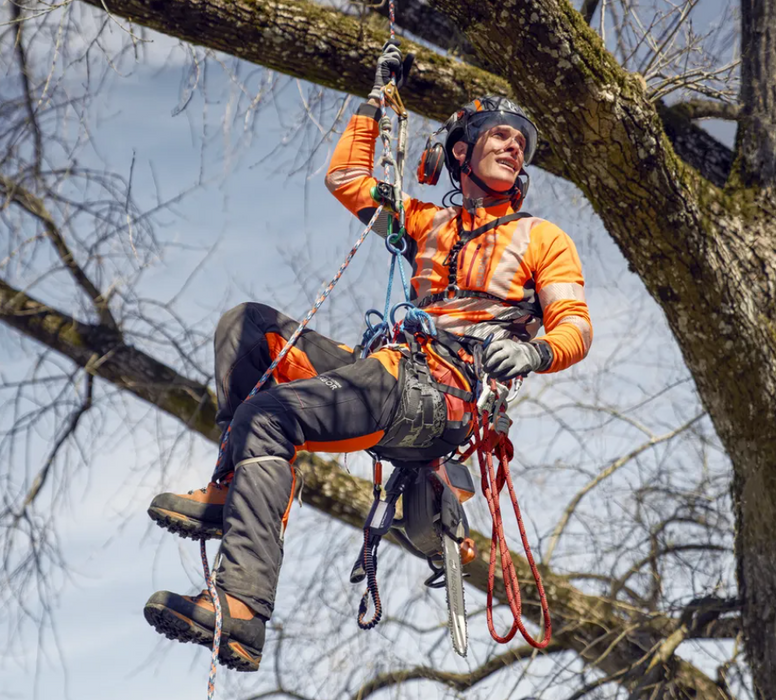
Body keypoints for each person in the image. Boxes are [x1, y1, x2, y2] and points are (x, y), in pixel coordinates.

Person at [142, 41, 592, 672]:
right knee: (249, 329)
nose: (516, 147)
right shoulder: (425, 224)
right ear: (461, 150)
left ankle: (241, 608)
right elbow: (347, 179)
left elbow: (575, 324)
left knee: (271, 416)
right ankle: (230, 489)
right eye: (502, 135)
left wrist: (536, 349)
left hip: (441, 393)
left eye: (523, 144)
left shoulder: (542, 238)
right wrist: (377, 102)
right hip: (389, 371)